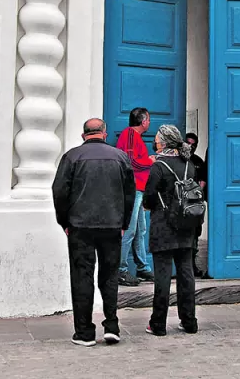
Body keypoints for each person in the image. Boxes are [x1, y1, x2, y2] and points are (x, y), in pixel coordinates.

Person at [52, 118, 135, 347]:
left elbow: (59, 192)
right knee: (109, 277)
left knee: (82, 277)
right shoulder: (120, 157)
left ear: (83, 134)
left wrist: (64, 222)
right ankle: (111, 326)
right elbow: (130, 194)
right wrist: (124, 223)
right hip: (111, 225)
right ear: (104, 133)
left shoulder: (72, 157)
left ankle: (85, 332)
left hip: (80, 226)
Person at [143, 125, 200, 336]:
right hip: (186, 226)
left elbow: (149, 196)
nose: (155, 141)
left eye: (157, 139)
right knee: (186, 275)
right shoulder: (189, 165)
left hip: (163, 226)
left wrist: (149, 206)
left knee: (163, 276)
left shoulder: (159, 166)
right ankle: (189, 321)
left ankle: (158, 324)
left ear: (164, 142)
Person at [115, 107, 155, 286]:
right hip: (132, 189)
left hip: (138, 188)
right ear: (143, 120)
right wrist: (150, 161)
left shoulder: (133, 136)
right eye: (148, 119)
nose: (149, 122)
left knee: (140, 230)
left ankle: (142, 266)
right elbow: (130, 161)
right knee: (130, 230)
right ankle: (121, 270)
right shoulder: (131, 135)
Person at [184, 132, 208, 279]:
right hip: (180, 205)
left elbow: (203, 181)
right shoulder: (179, 160)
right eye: (188, 143)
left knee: (194, 237)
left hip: (195, 206)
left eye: (194, 145)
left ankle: (192, 265)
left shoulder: (198, 161)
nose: (190, 147)